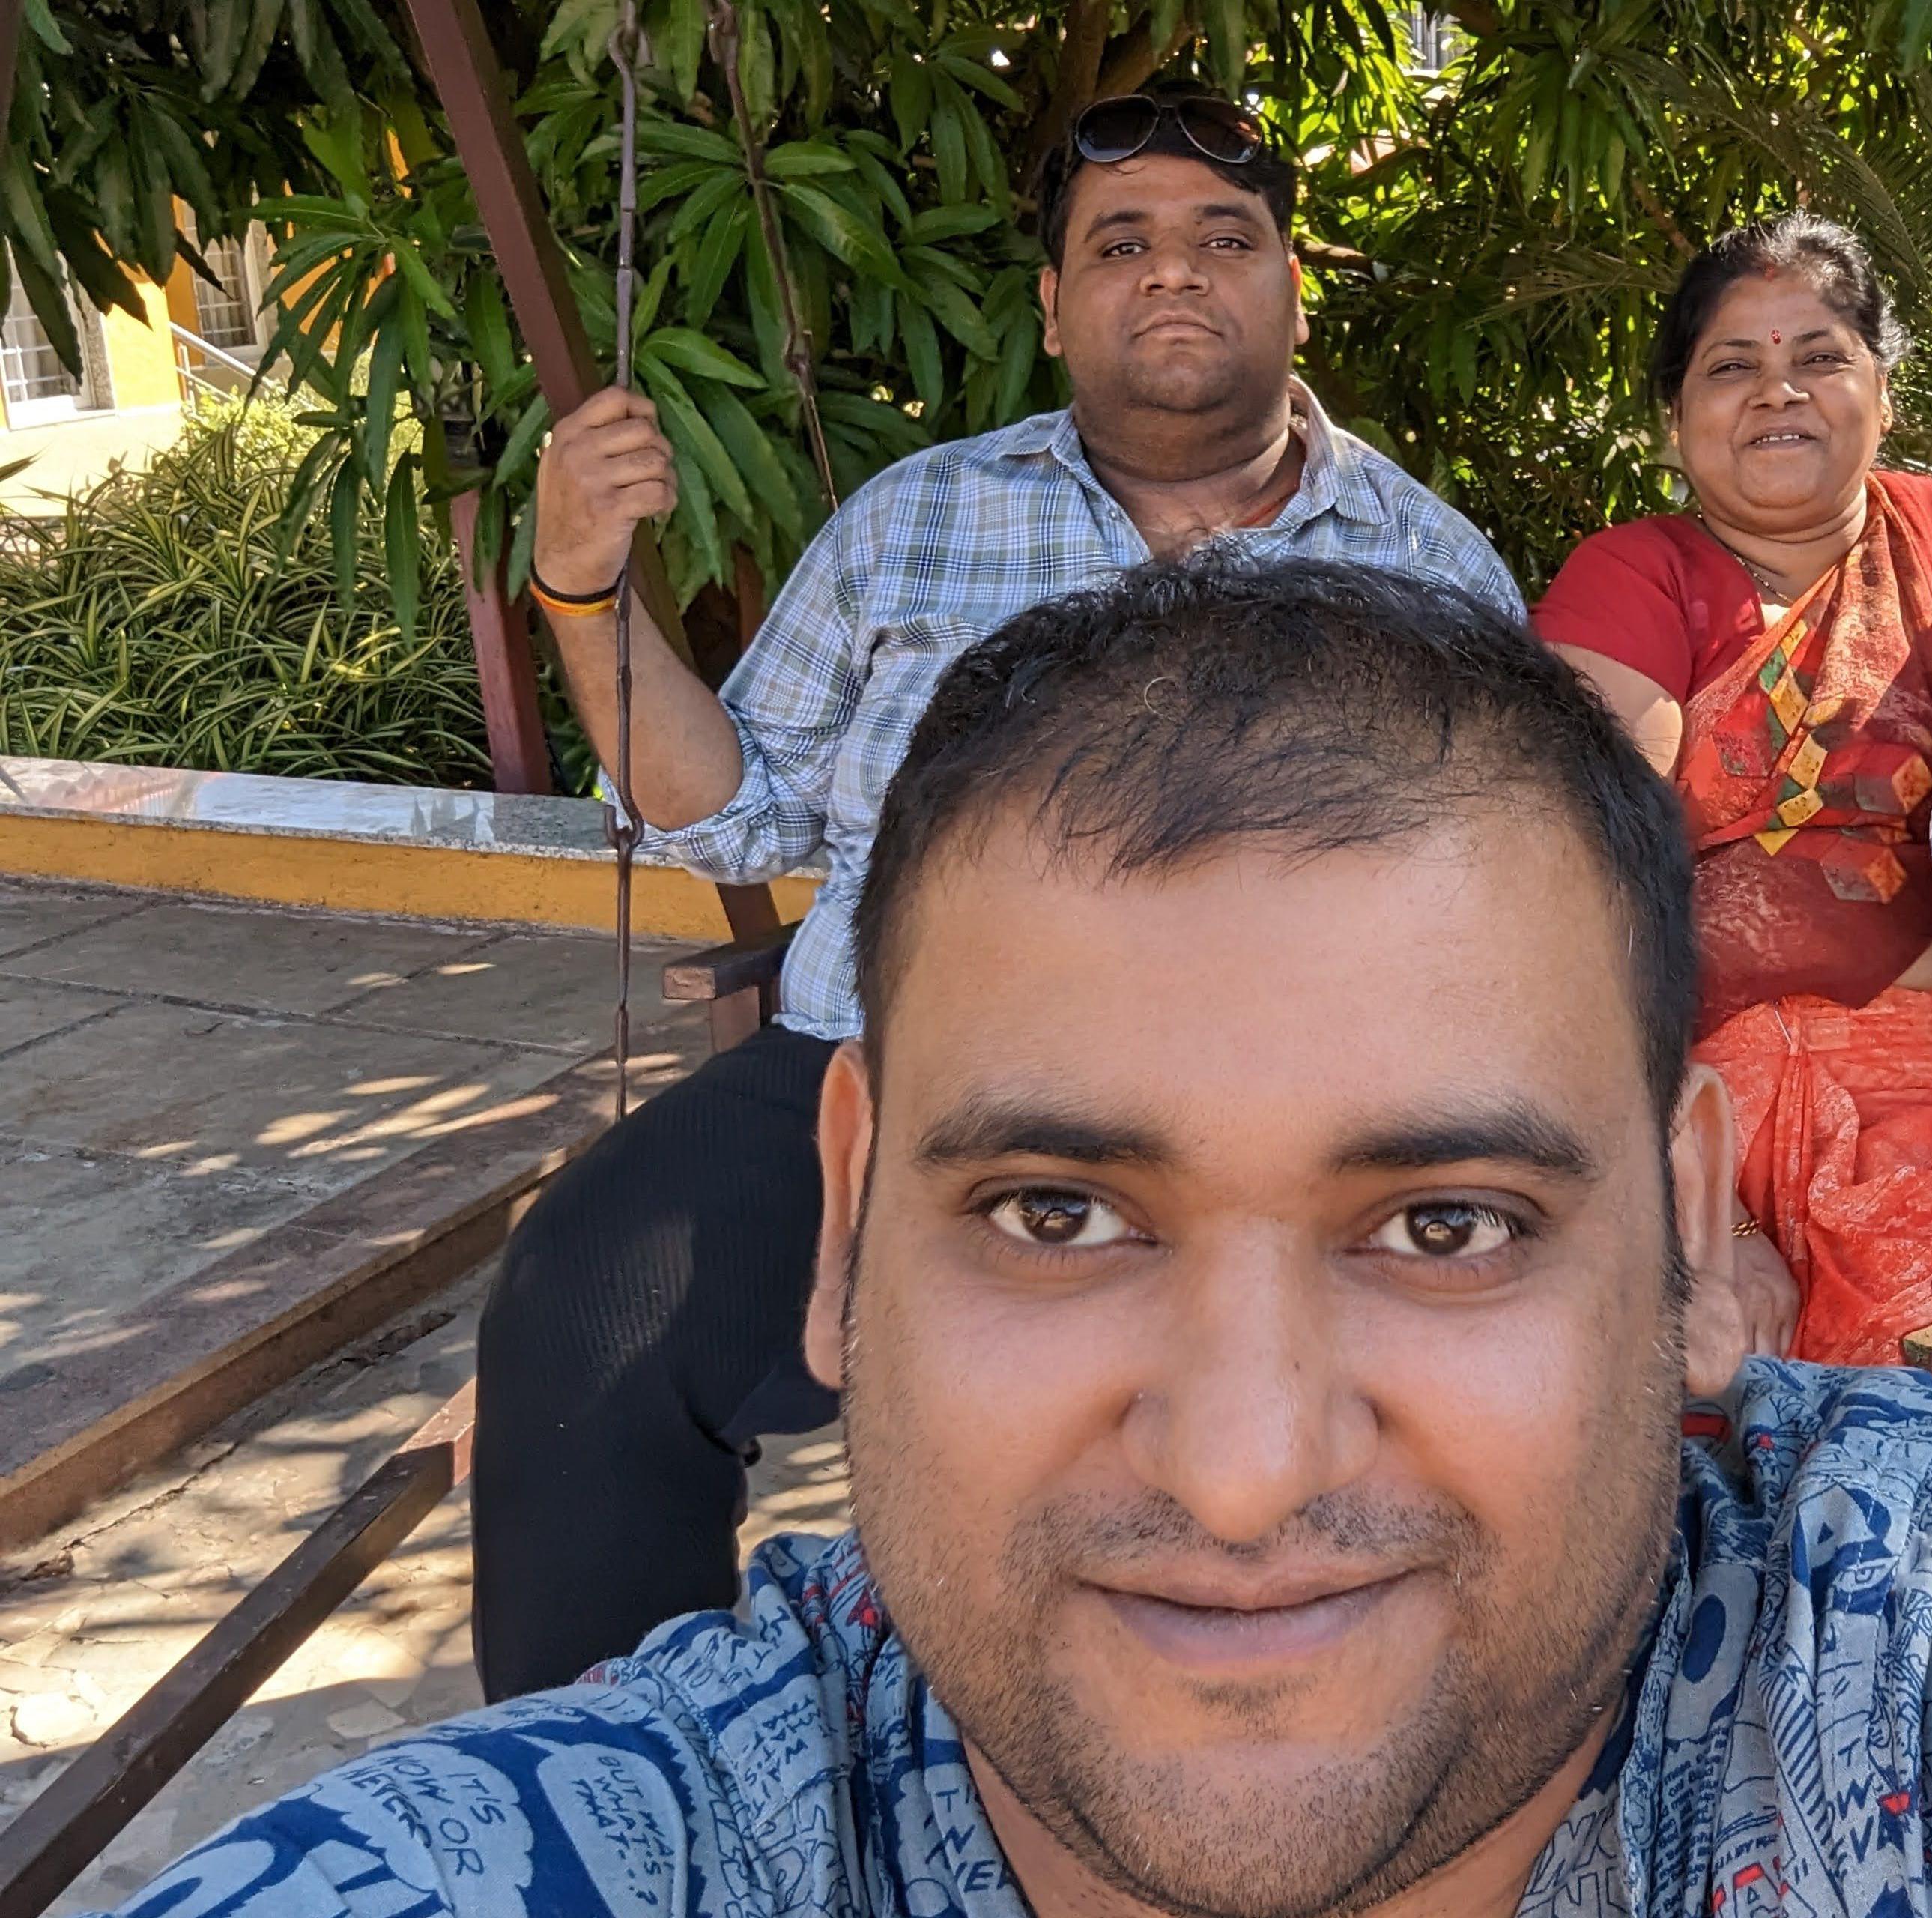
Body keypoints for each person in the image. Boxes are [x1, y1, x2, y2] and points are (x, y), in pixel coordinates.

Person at [91, 559, 1932, 1918]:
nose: (1248, 1473)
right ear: (850, 1237)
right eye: (1057, 1208)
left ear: (1702, 1259)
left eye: (1449, 1221)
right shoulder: (629, 1839)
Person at [475, 85, 1523, 1701]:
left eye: (1221, 239)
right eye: (1122, 244)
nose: (1172, 273)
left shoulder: (1430, 564)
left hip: (1284, 1118)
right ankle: (619, 1815)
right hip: (888, 1066)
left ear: (1292, 286)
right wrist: (582, 591)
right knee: (589, 1302)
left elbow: (1490, 905)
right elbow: (733, 814)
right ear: (1053, 308)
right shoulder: (915, 521)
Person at [1535, 214, 1932, 1405]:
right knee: (1676, 1410)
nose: (1780, 392)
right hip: (1677, 1087)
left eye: (1819, 355)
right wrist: (1706, 1208)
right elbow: (1590, 862)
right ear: (1674, 419)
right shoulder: (1633, 575)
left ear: (1883, 391)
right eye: (1732, 365)